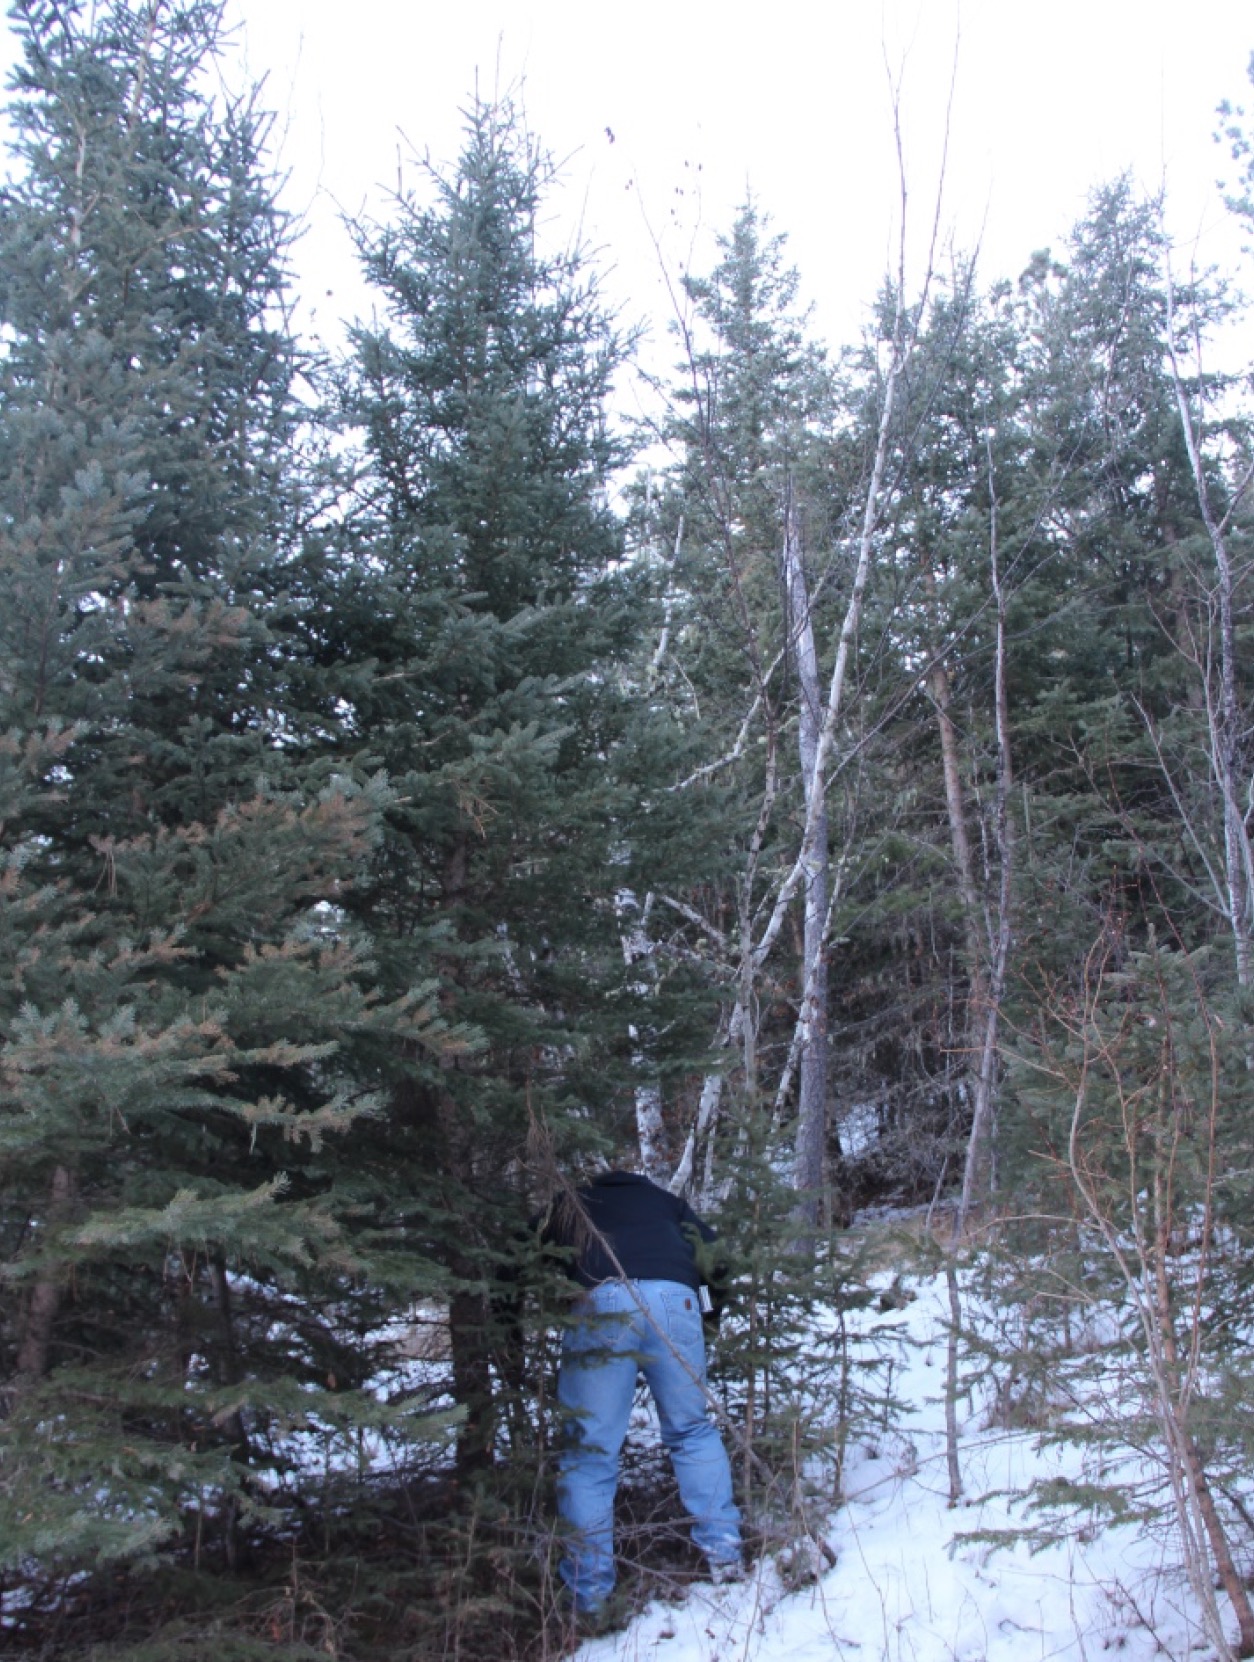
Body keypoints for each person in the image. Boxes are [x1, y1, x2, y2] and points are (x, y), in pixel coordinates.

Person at [541, 1167, 743, 1616]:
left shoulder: (572, 1202)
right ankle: (726, 1559)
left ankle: (588, 1598)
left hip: (600, 1298)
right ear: (640, 1184)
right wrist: (708, 1318)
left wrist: (518, 1328)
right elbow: (719, 1259)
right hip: (677, 1299)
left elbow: (527, 1259)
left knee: (589, 1454)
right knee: (692, 1431)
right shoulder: (666, 1202)